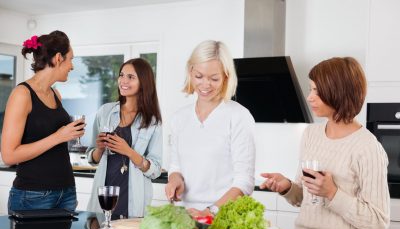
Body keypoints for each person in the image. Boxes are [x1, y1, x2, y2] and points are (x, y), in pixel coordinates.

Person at [260, 57, 390, 229]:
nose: (309, 97)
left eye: (317, 91)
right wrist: (287, 187)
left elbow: (379, 221)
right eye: (310, 89)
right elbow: (303, 198)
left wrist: (332, 192)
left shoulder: (368, 147)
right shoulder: (310, 134)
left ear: (339, 93)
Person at [165, 40, 256, 217]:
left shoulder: (239, 117)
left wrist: (210, 212)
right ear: (190, 72)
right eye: (199, 76)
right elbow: (175, 165)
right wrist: (175, 179)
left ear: (226, 77)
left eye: (214, 78)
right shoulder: (179, 118)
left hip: (224, 217)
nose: (205, 85)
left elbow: (244, 181)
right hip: (186, 216)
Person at [1, 31, 83, 212]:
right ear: (59, 58)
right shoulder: (22, 94)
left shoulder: (56, 94)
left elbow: (55, 143)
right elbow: (8, 155)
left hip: (66, 192)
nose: (72, 66)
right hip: (33, 195)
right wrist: (58, 137)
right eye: (71, 59)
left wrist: (70, 134)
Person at [86, 58, 162, 218]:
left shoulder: (152, 121)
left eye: (131, 77)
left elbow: (155, 171)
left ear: (144, 82)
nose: (123, 81)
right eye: (121, 75)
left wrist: (128, 151)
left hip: (133, 199)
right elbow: (91, 157)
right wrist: (99, 149)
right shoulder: (105, 112)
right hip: (104, 194)